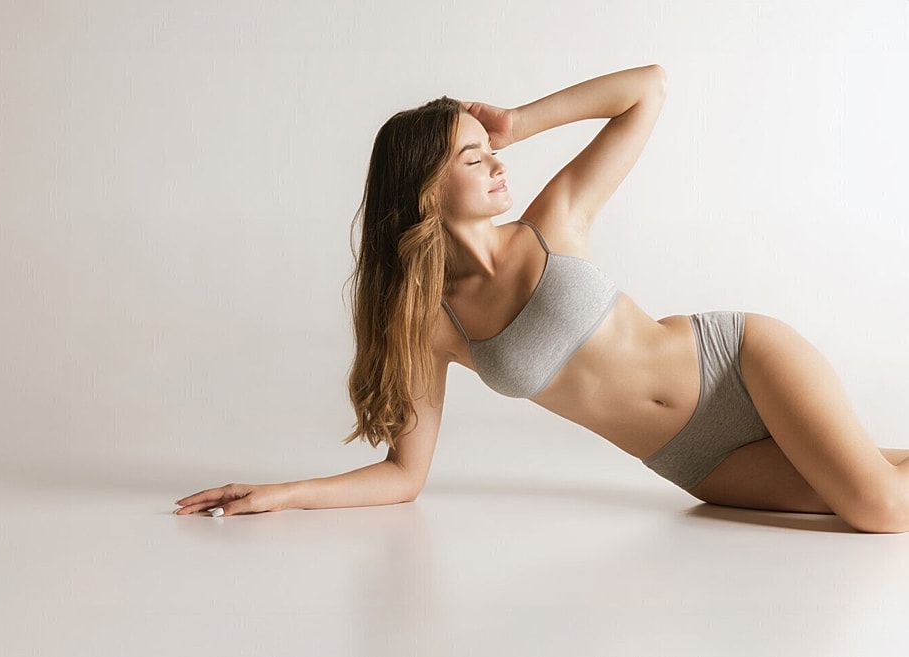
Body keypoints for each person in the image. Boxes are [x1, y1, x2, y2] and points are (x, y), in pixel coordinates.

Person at [174, 65, 909, 533]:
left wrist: (519, 121)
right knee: (876, 487)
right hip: (690, 459)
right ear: (426, 190)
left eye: (492, 150)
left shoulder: (553, 222)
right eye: (473, 156)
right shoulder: (436, 324)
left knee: (880, 509)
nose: (496, 162)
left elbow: (648, 88)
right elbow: (404, 476)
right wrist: (282, 494)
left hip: (737, 364)